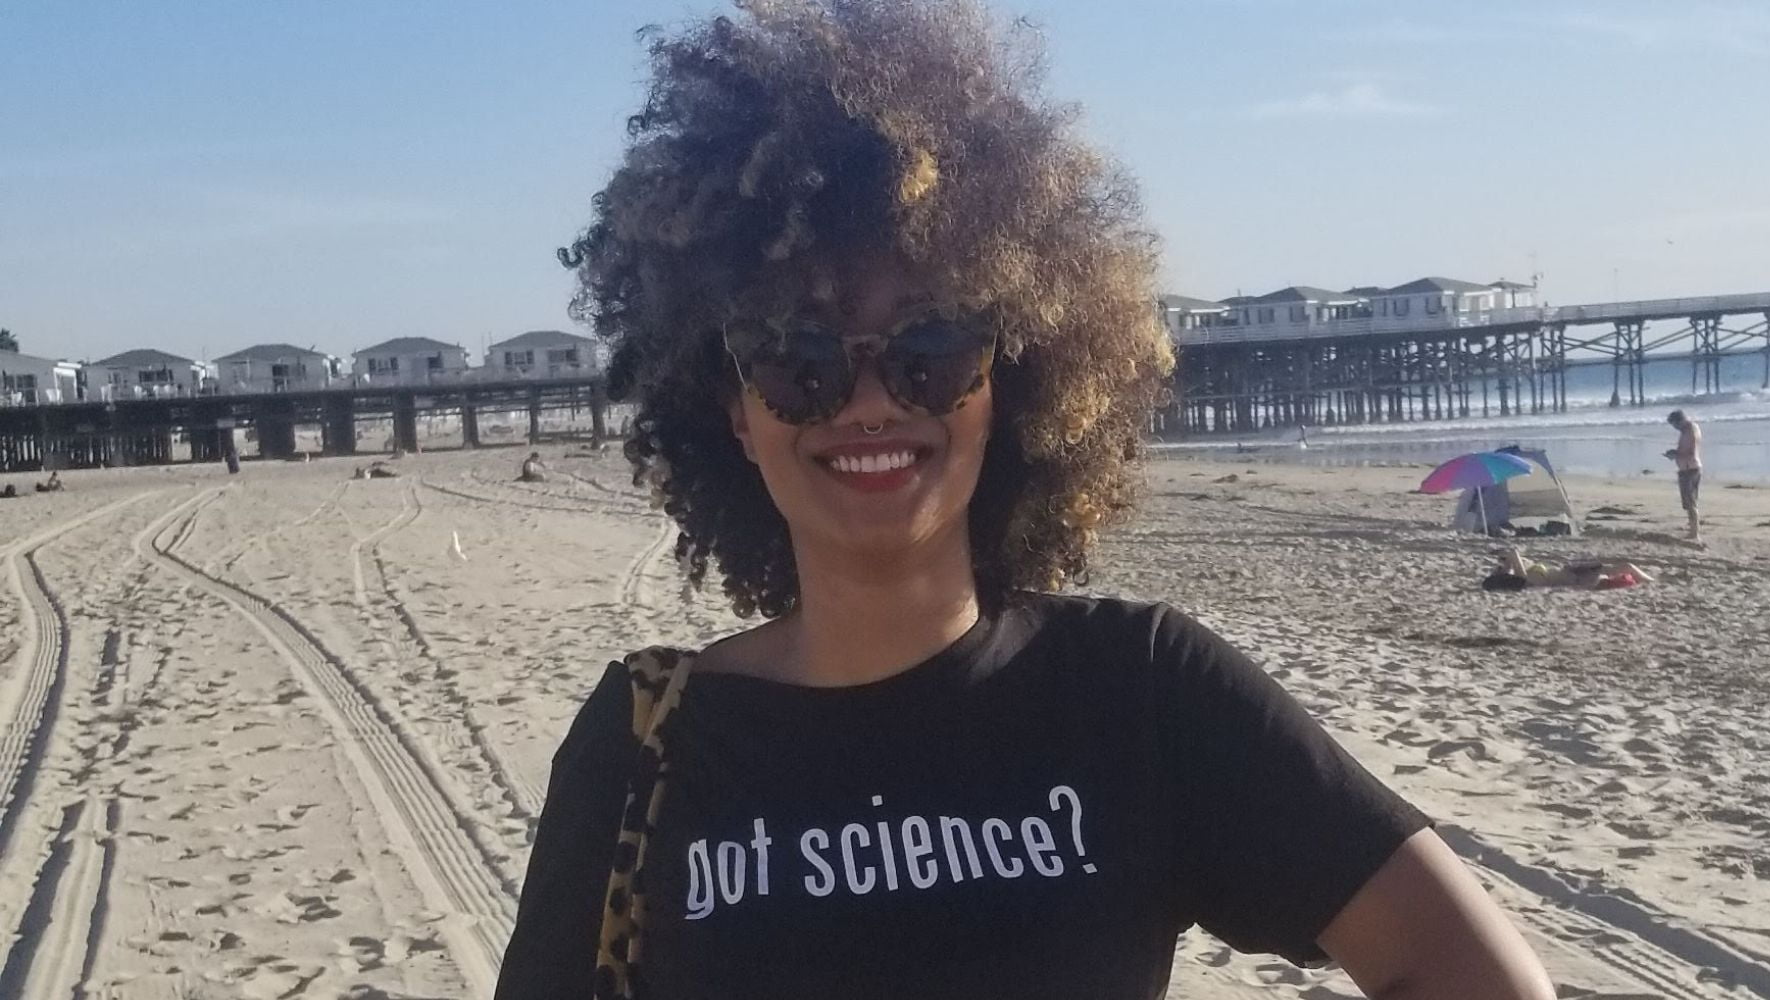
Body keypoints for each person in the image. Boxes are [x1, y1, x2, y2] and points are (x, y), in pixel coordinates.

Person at [495, 4, 1554, 999]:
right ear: (732, 408)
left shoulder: (1141, 694)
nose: (867, 401)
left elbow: (1476, 974)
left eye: (930, 346)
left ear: (1010, 380)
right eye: (796, 354)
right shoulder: (643, 744)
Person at [1483, 547, 1655, 591]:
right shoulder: (1526, 580)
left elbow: (1515, 562)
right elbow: (1516, 561)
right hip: (1578, 577)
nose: (1499, 569)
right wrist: (1512, 557)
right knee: (1627, 567)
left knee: (1624, 569)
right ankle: (1651, 583)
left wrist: (1505, 561)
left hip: (1574, 571)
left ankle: (1648, 582)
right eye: (1498, 571)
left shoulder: (1525, 571)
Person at [1664, 409, 1702, 542]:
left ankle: (1694, 532)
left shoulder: (1689, 431)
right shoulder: (1690, 429)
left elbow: (1690, 452)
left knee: (1690, 502)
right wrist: (1676, 453)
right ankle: (1692, 527)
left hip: (1689, 468)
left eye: (1675, 425)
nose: (1675, 428)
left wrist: (1676, 455)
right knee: (1690, 502)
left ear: (1680, 421)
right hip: (1691, 467)